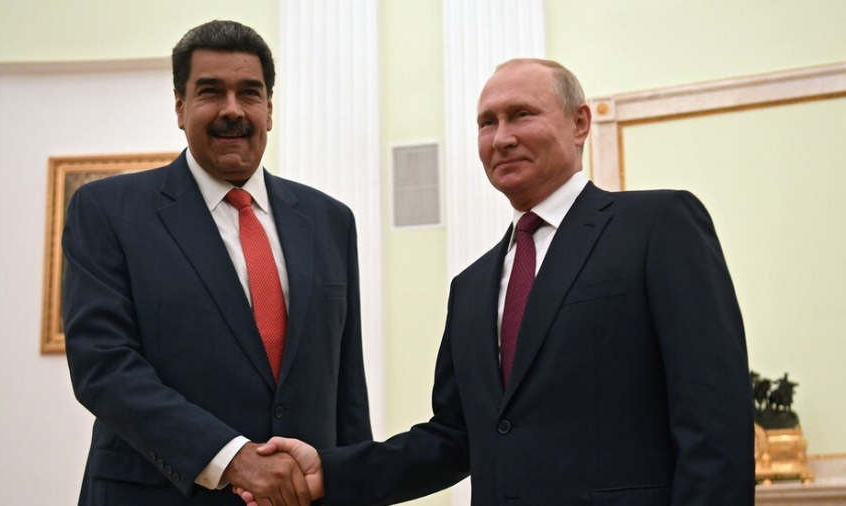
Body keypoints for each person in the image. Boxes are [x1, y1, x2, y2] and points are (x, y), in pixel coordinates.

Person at [240, 59, 755, 505]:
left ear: (579, 123)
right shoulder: (471, 288)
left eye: (522, 114)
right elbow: (453, 438)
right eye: (487, 122)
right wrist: (328, 473)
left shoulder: (658, 226)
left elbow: (714, 424)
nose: (502, 137)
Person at [62, 20, 372, 506]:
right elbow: (103, 366)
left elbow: (347, 389)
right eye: (210, 92)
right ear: (180, 107)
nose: (232, 109)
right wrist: (232, 458)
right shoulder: (108, 211)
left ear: (269, 109)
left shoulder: (330, 220)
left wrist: (356, 487)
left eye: (249, 93)